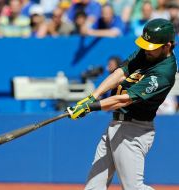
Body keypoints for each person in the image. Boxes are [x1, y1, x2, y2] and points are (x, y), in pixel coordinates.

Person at [66, 18, 177, 190]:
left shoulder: (164, 72)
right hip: (116, 124)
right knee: (94, 186)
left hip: (134, 131)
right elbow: (120, 73)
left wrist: (90, 107)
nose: (147, 50)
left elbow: (123, 99)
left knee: (133, 187)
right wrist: (92, 97)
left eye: (152, 48)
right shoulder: (147, 52)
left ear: (167, 46)